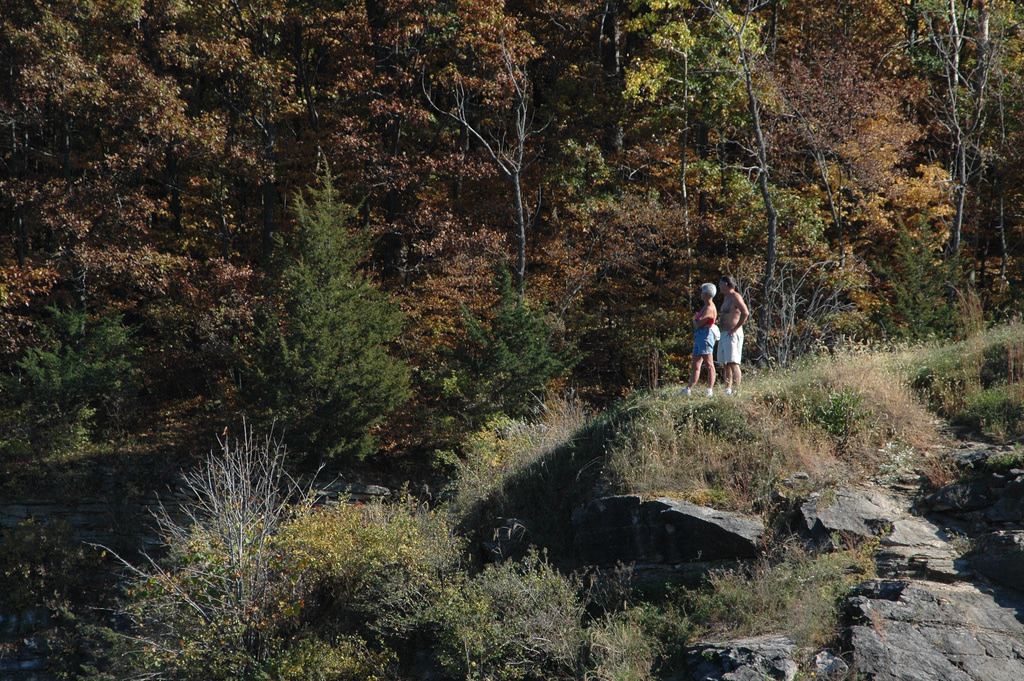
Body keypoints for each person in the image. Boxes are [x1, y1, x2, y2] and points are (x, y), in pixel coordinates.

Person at [682, 282, 719, 396]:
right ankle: (688, 389)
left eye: (703, 292)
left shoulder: (710, 308)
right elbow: (697, 322)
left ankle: (709, 389)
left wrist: (696, 322)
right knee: (696, 364)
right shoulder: (705, 306)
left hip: (705, 335)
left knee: (709, 364)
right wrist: (696, 322)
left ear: (707, 294)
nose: (701, 294)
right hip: (699, 335)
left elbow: (698, 322)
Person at [716, 275, 749, 395]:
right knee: (726, 363)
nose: (719, 286)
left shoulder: (735, 296)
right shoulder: (726, 298)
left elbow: (745, 312)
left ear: (725, 284)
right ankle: (727, 390)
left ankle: (736, 390)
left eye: (720, 284)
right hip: (725, 334)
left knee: (734, 362)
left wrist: (735, 328)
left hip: (733, 334)